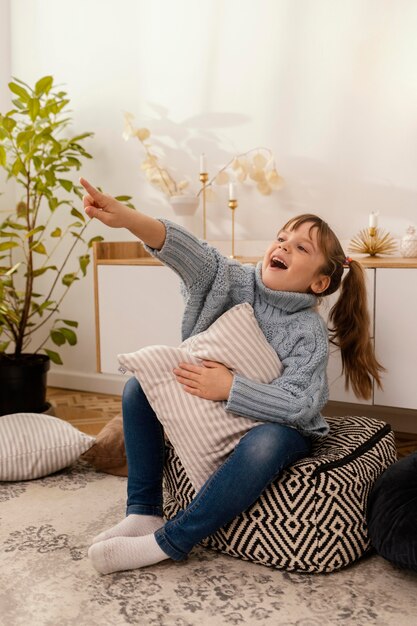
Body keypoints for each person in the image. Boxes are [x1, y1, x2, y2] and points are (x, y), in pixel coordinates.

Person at [80, 177, 383, 575]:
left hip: (274, 425)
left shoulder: (305, 331)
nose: (283, 246)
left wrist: (230, 386)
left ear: (319, 282)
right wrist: (129, 219)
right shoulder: (234, 281)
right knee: (139, 387)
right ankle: (144, 512)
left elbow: (300, 403)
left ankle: (171, 541)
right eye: (282, 238)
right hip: (213, 410)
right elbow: (190, 252)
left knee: (267, 442)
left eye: (301, 247)